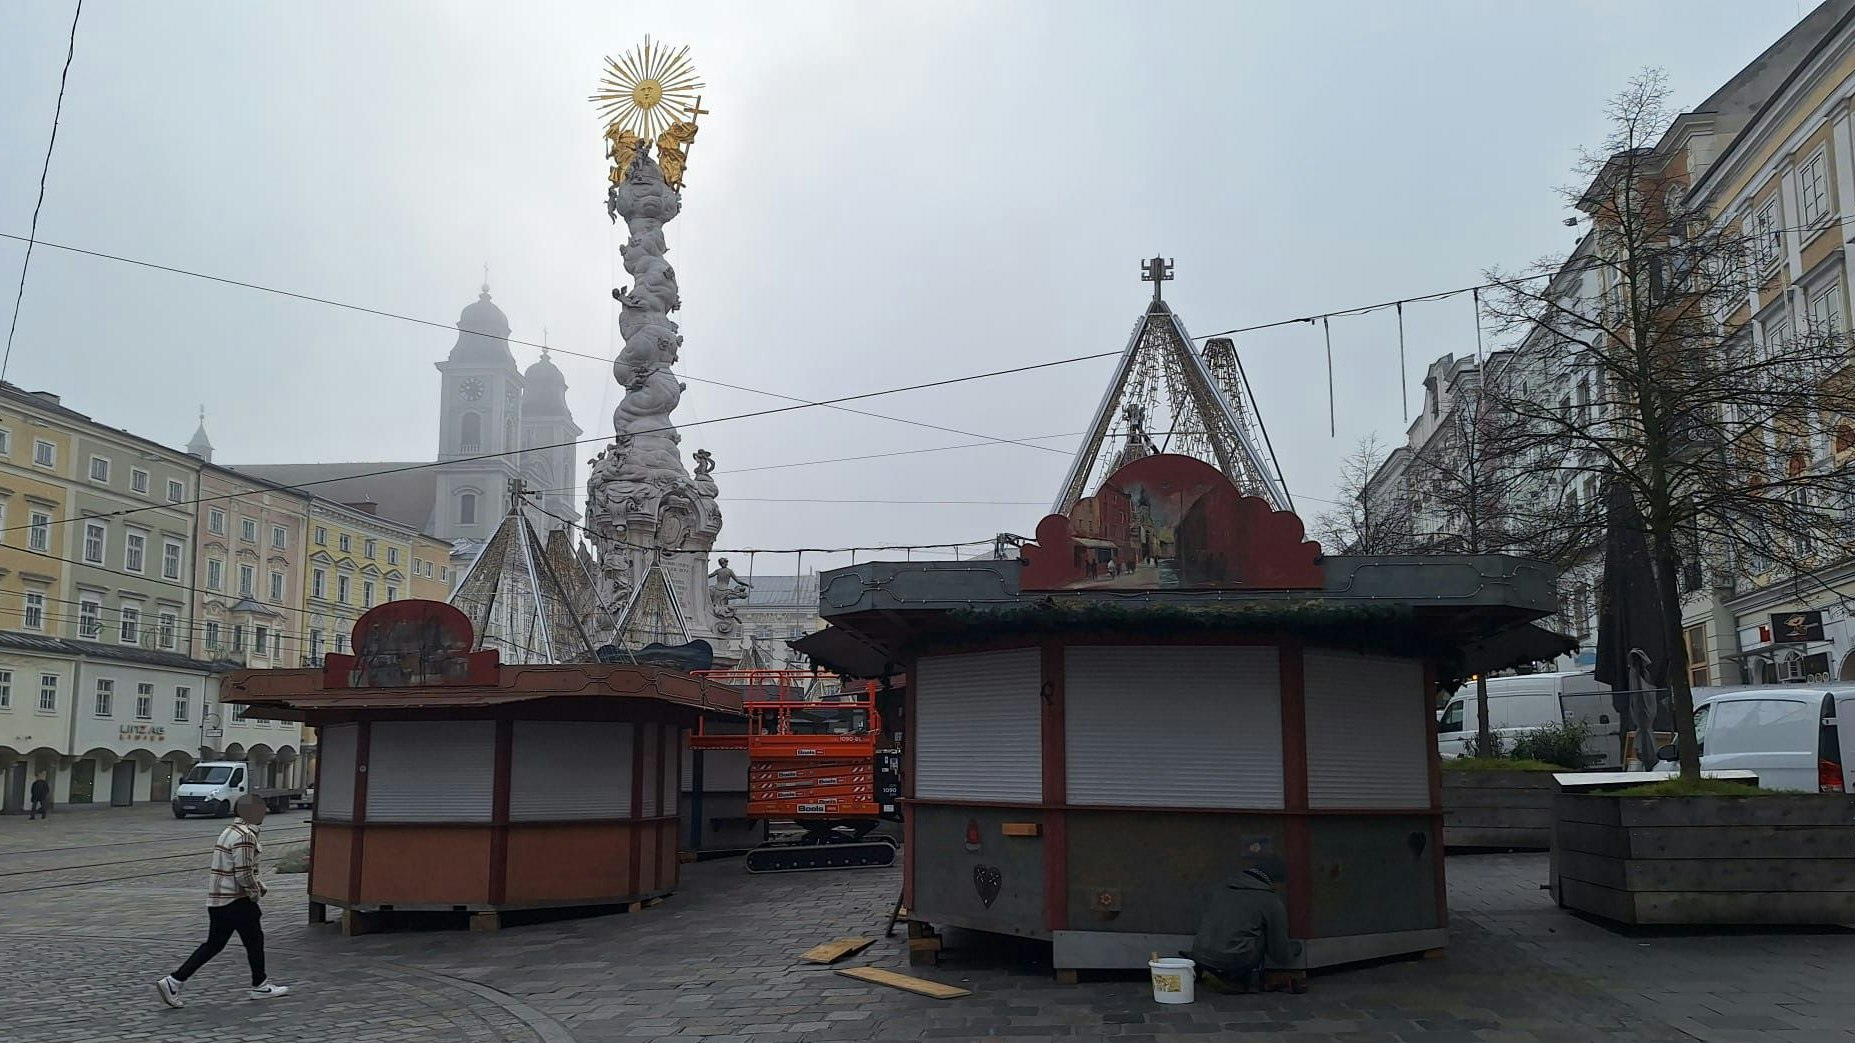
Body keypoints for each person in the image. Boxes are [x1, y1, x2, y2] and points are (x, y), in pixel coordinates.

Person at [154, 794, 290, 1007]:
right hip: (236, 900)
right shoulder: (245, 836)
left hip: (218, 901)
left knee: (214, 944)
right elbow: (244, 873)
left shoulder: (229, 831)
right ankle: (260, 985)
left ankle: (174, 981)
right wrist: (256, 892)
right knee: (254, 941)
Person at [1185, 867, 1304, 994]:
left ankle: (1214, 972)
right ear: (1275, 882)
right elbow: (1279, 953)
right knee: (1262, 931)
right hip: (1235, 961)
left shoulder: (1221, 890)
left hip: (1200, 956)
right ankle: (1251, 979)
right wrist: (1296, 948)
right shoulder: (1270, 900)